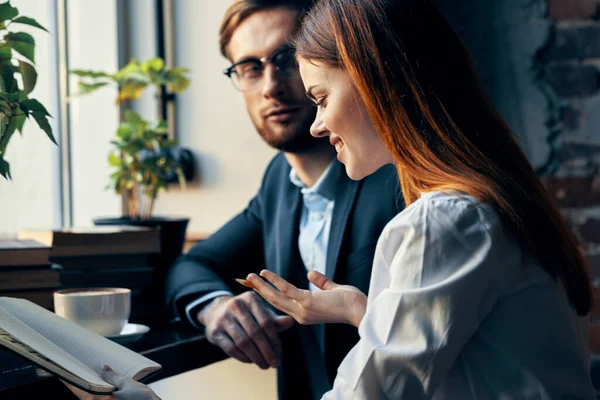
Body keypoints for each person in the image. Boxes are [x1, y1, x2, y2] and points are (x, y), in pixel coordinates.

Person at [243, 0, 596, 398]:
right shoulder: (492, 201)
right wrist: (364, 312)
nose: (317, 126)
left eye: (321, 98)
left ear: (375, 81)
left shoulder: (445, 221)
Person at [163, 1, 401, 399]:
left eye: (286, 59)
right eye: (251, 68)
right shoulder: (279, 181)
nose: (271, 86)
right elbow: (194, 265)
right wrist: (216, 308)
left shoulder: (397, 175)